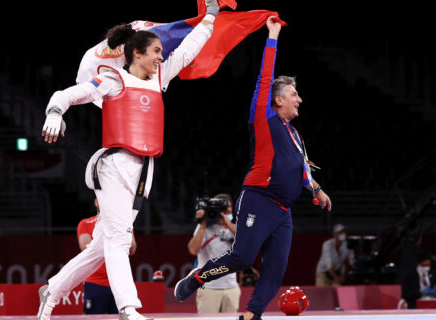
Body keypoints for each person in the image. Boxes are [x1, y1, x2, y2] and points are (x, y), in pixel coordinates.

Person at [36, 2, 220, 320]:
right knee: (120, 239)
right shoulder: (110, 80)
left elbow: (189, 50)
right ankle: (129, 308)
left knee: (101, 245)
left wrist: (210, 18)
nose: (162, 56)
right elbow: (66, 94)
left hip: (143, 170)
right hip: (112, 166)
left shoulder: (160, 77)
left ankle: (52, 290)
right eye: (157, 51)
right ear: (137, 53)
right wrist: (55, 111)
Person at [174, 16, 332, 320]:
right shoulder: (264, 118)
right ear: (277, 100)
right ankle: (197, 278)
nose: (300, 99)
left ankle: (251, 315)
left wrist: (317, 189)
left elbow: (302, 170)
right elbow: (265, 76)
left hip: (283, 211)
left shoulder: (295, 135)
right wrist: (272, 36)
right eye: (294, 94)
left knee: (274, 271)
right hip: (258, 198)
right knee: (243, 256)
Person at [77, 199, 137, 314]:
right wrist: (117, 243)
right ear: (95, 202)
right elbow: (87, 248)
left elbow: (132, 248)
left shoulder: (124, 224)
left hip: (119, 284)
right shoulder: (85, 224)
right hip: (95, 283)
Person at [187, 193, 240, 313]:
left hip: (231, 287)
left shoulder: (234, 227)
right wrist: (202, 225)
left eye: (228, 207)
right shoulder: (203, 227)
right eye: (220, 208)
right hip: (209, 288)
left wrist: (227, 223)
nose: (225, 211)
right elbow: (193, 250)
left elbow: (247, 242)